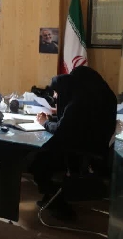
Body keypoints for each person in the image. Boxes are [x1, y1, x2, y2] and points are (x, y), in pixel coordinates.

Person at [31, 67, 116, 219]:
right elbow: (73, 122)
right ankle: (53, 196)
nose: (55, 97)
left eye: (56, 93)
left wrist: (44, 123)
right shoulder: (104, 96)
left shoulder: (79, 102)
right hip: (95, 150)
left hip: (80, 152)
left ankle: (57, 201)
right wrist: (52, 120)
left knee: (37, 161)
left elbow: (62, 130)